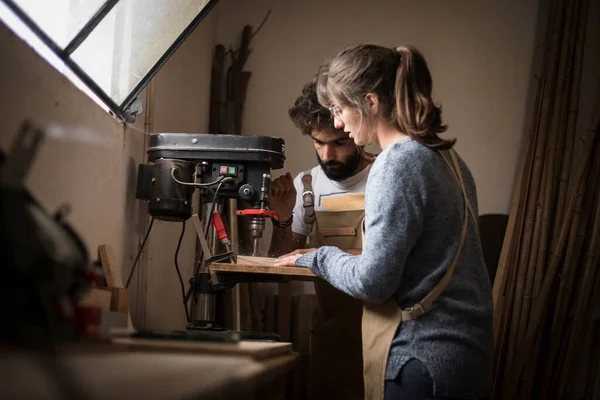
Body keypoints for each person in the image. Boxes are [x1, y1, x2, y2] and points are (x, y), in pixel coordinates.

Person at [275, 44, 493, 400]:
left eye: (339, 108)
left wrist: (315, 256)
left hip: (421, 361)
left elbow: (373, 284)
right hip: (466, 356)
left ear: (371, 103)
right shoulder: (448, 158)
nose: (337, 122)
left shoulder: (395, 164)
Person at [268, 81, 374, 399]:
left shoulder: (386, 175)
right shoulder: (306, 184)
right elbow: (282, 258)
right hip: (330, 332)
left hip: (381, 331)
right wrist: (283, 218)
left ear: (357, 132)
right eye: (318, 143)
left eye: (339, 143)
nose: (328, 155)